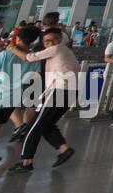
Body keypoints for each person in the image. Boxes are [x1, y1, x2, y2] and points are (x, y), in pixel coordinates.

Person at [5, 26, 78, 173]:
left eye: (53, 40)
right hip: (68, 92)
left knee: (34, 126)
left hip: (59, 91)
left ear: (60, 39)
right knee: (47, 124)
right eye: (46, 41)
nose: (50, 43)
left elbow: (29, 57)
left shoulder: (57, 49)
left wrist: (12, 48)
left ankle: (26, 162)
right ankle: (64, 149)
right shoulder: (65, 52)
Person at [0, 26, 36, 165]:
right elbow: (33, 78)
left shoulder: (6, 55)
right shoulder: (33, 59)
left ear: (17, 38)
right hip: (12, 100)